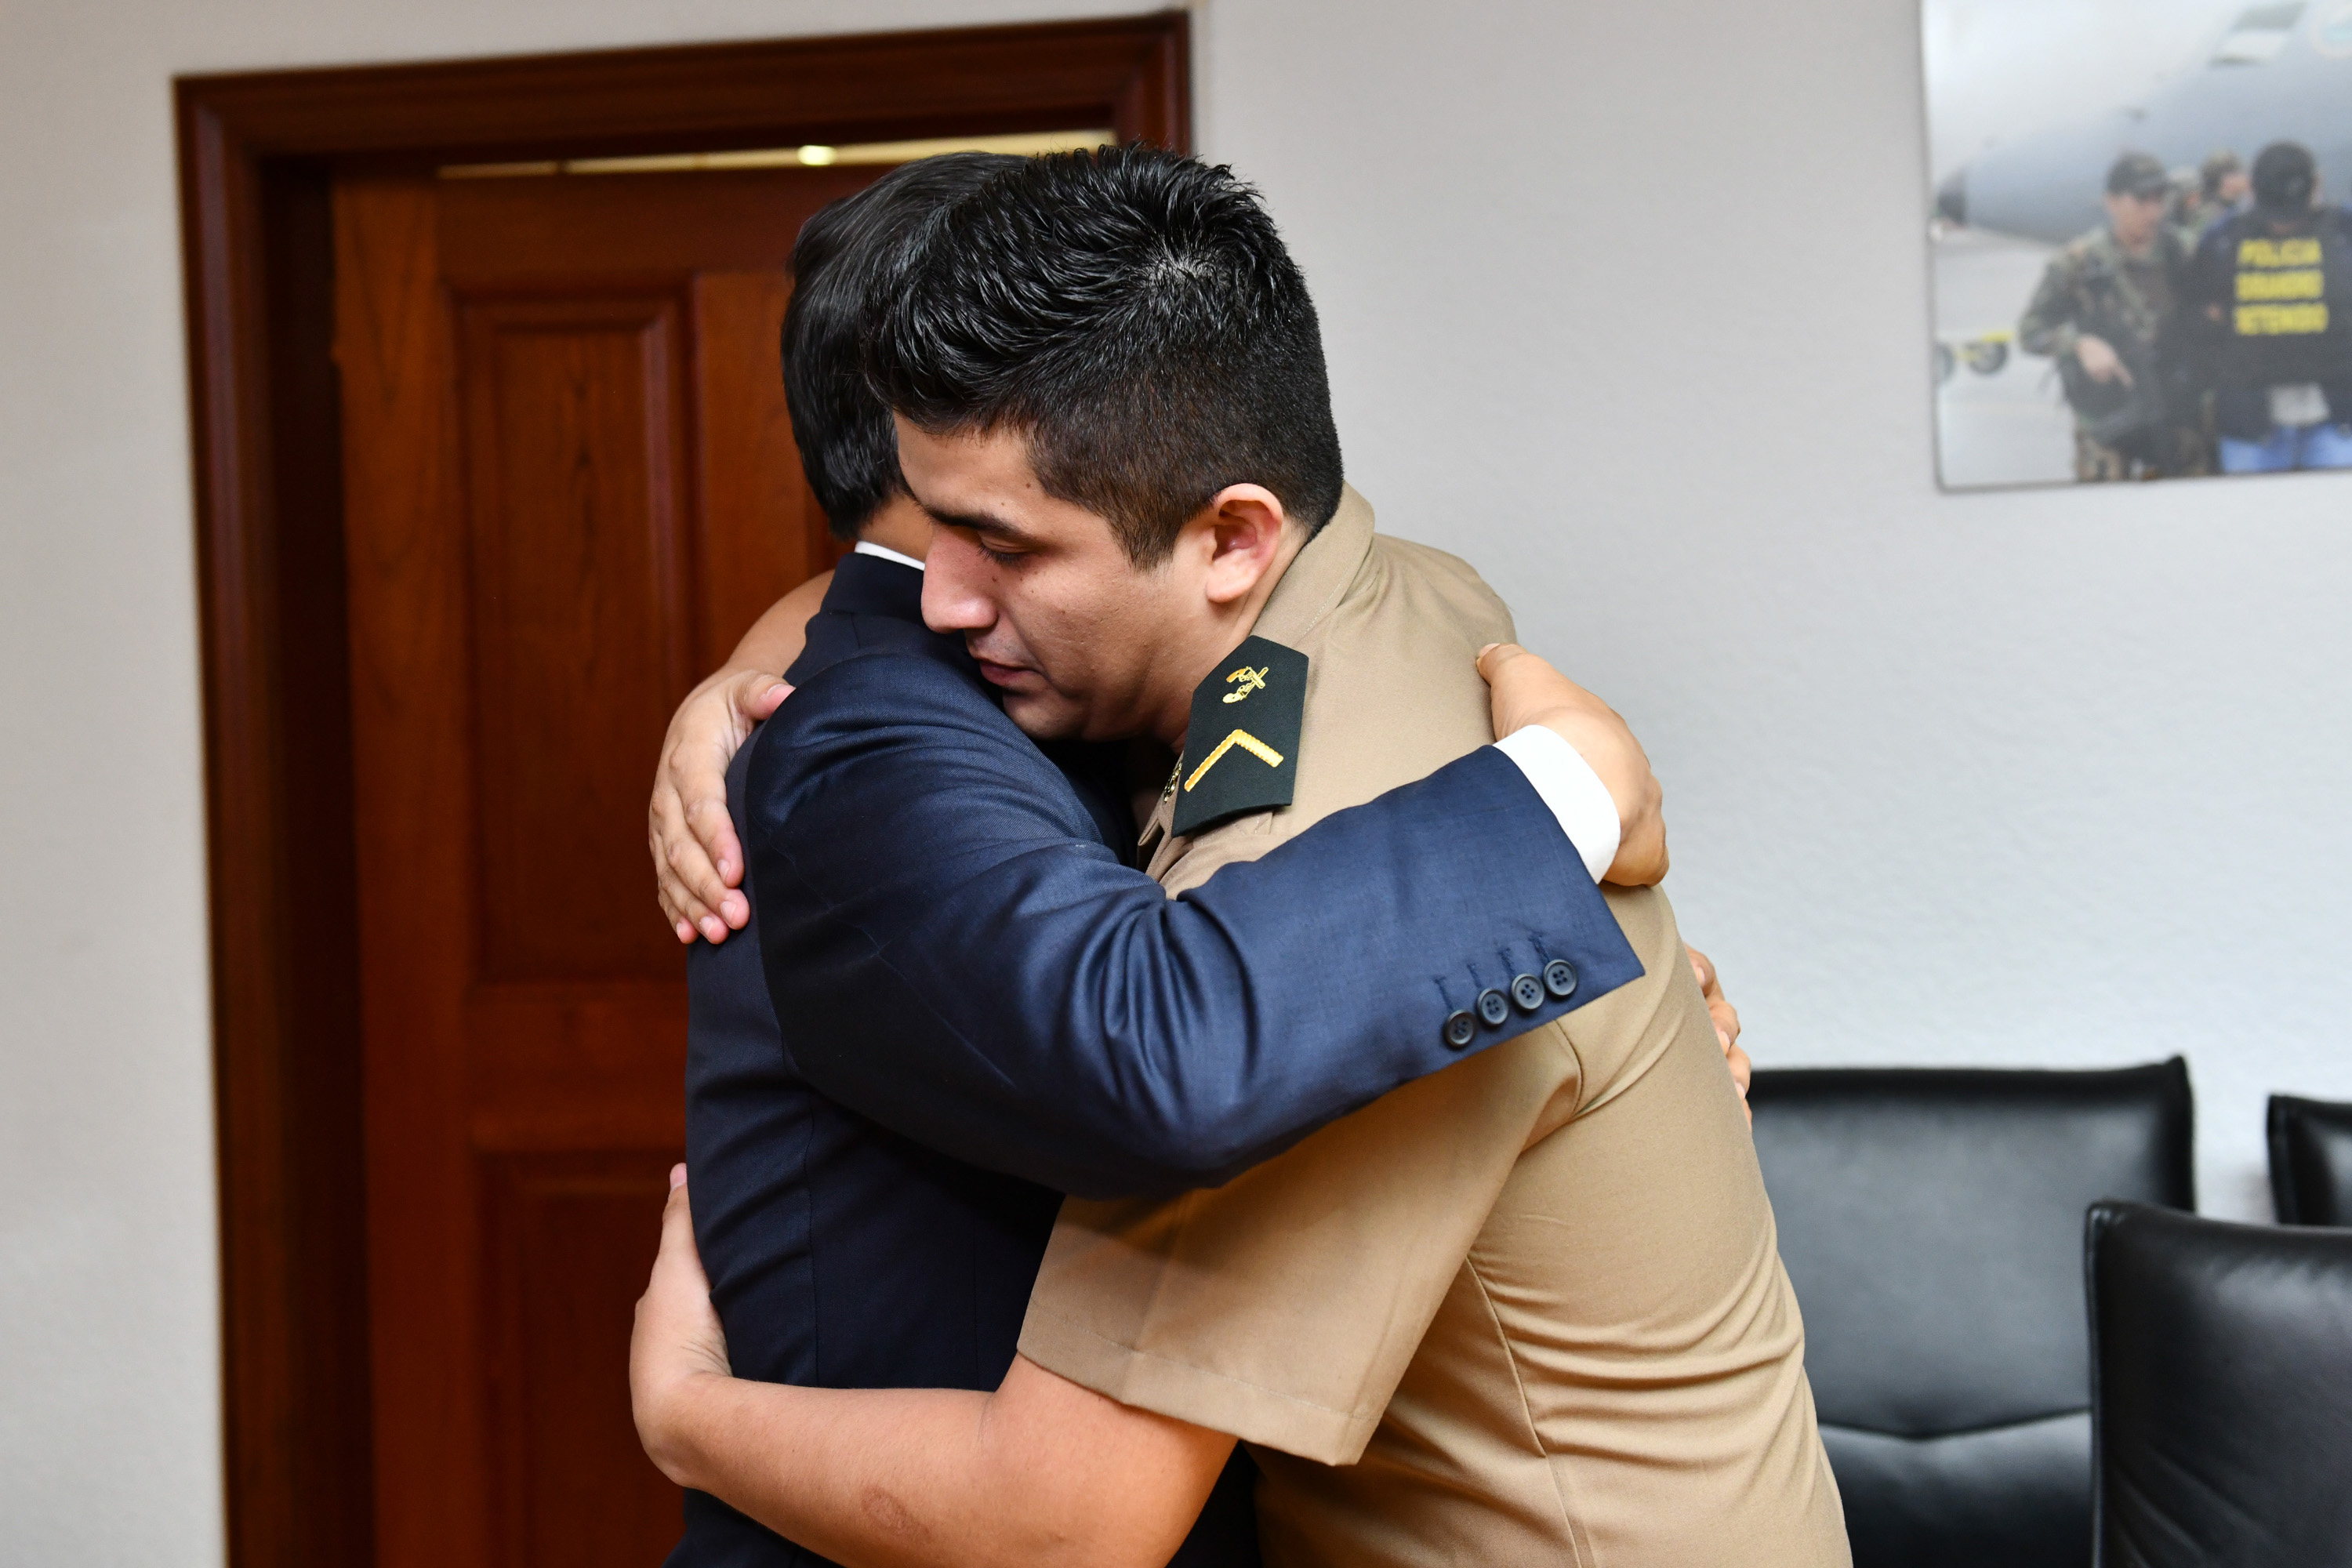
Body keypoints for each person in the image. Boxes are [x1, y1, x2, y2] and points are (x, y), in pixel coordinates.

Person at [633, 147, 1839, 1567]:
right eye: (921, 535)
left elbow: (1065, 1524)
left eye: (996, 543)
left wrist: (688, 1414)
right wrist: (749, 676)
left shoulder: (1306, 930)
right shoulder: (1395, 587)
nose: (936, 603)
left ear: (1230, 537)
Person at [2018, 151, 2204, 481]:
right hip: (2107, 415)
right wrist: (2079, 344)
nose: (2153, 210)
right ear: (2112, 203)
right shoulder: (2079, 261)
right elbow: (2030, 331)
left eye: (2159, 199)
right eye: (2141, 199)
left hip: (2174, 410)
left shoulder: (2184, 251)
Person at [2187, 141, 2352, 474]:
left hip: (2337, 423)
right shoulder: (2222, 240)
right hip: (2251, 427)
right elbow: (2193, 318)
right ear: (2251, 189)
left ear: (2316, 185)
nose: (2283, 226)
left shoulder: (2343, 232)